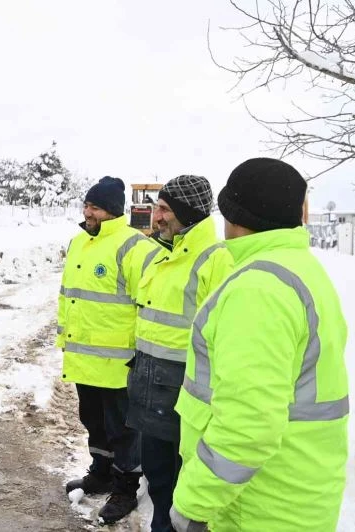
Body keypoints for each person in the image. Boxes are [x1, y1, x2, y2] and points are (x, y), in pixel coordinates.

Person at [169, 158, 350, 532]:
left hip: (254, 507)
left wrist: (194, 503)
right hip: (292, 496)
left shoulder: (258, 289)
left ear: (231, 215)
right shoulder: (299, 269)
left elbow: (249, 424)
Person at [127, 175, 232, 532]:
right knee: (158, 477)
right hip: (150, 387)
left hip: (183, 397)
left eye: (165, 209)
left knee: (178, 486)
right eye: (157, 207)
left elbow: (224, 340)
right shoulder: (160, 256)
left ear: (188, 213)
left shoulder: (216, 261)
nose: (156, 217)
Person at [58, 176, 160, 524]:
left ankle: (125, 488)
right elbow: (69, 297)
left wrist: (141, 354)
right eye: (86, 205)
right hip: (84, 359)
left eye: (96, 207)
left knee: (124, 430)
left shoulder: (135, 247)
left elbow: (147, 305)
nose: (88, 212)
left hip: (120, 362)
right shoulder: (78, 243)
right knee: (94, 422)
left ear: (113, 212)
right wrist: (65, 340)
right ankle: (100, 472)